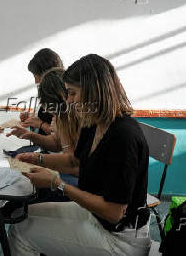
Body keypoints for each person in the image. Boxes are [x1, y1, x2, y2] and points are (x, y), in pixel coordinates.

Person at [8, 54, 150, 256]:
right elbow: (74, 162)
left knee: (21, 232)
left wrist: (57, 184)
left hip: (120, 239)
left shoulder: (123, 136)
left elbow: (113, 213)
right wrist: (37, 159)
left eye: (72, 93)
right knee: (21, 216)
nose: (68, 101)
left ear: (94, 92)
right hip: (97, 218)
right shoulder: (94, 122)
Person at [20, 48, 64, 135]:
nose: (36, 82)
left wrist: (41, 124)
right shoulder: (50, 91)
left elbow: (61, 135)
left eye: (36, 76)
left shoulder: (62, 95)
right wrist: (32, 117)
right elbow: (45, 116)